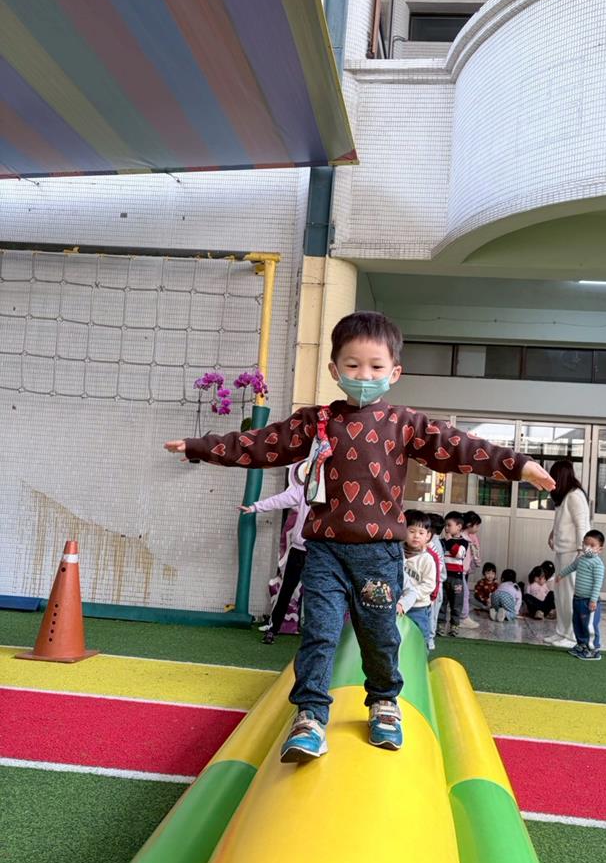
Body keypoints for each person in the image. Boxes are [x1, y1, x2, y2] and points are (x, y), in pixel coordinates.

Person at [164, 311, 554, 763]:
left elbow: (458, 446)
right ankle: (310, 715)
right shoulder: (317, 421)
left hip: (378, 555)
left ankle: (384, 701)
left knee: (379, 634)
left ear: (394, 372)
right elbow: (261, 444)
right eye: (352, 365)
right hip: (324, 551)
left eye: (375, 366)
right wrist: (200, 447)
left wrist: (519, 465)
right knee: (319, 633)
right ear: (334, 370)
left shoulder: (404, 423)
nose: (364, 375)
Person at [239, 459, 309, 645]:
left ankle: (315, 635)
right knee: (286, 589)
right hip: (299, 550)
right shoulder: (303, 490)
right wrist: (254, 507)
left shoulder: (333, 494)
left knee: (318, 593)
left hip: (321, 551)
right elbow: (280, 500)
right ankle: (273, 629)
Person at [545, 460, 591, 647]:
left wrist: (582, 550)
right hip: (563, 551)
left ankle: (573, 637)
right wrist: (552, 534)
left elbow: (582, 525)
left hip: (574, 553)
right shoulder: (565, 496)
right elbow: (563, 521)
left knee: (571, 595)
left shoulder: (575, 495)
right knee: (561, 595)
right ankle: (562, 632)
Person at [556, 529, 606, 660]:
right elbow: (572, 567)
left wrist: (593, 600)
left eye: (592, 545)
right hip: (578, 598)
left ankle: (593, 649)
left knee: (589, 625)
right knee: (577, 622)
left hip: (589, 601)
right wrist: (561, 574)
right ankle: (581, 645)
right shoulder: (581, 559)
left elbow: (597, 584)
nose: (587, 547)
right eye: (585, 544)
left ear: (600, 549)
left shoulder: (598, 564)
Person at [398, 509, 437, 647]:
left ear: (428, 536)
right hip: (397, 606)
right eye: (412, 531)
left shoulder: (427, 559)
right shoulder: (397, 553)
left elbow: (429, 585)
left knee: (419, 638)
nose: (416, 536)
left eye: (421, 533)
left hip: (417, 607)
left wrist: (410, 597)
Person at [438, 511, 469, 638]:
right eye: (445, 525)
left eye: (449, 525)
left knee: (456, 604)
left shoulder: (464, 542)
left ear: (459, 527)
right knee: (442, 603)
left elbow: (459, 554)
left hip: (456, 579)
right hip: (443, 577)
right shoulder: (442, 541)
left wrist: (449, 540)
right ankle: (440, 625)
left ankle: (454, 626)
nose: (446, 528)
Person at [460, 511, 483, 627]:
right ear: (469, 525)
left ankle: (461, 616)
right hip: (459, 570)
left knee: (463, 593)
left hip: (464, 570)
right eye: (477, 525)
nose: (478, 528)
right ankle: (463, 618)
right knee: (464, 593)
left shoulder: (470, 537)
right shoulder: (462, 537)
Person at [427, 513, 447, 651]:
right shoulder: (434, 542)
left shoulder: (433, 544)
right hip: (433, 585)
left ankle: (430, 640)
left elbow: (440, 571)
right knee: (430, 614)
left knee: (431, 615)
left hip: (435, 586)